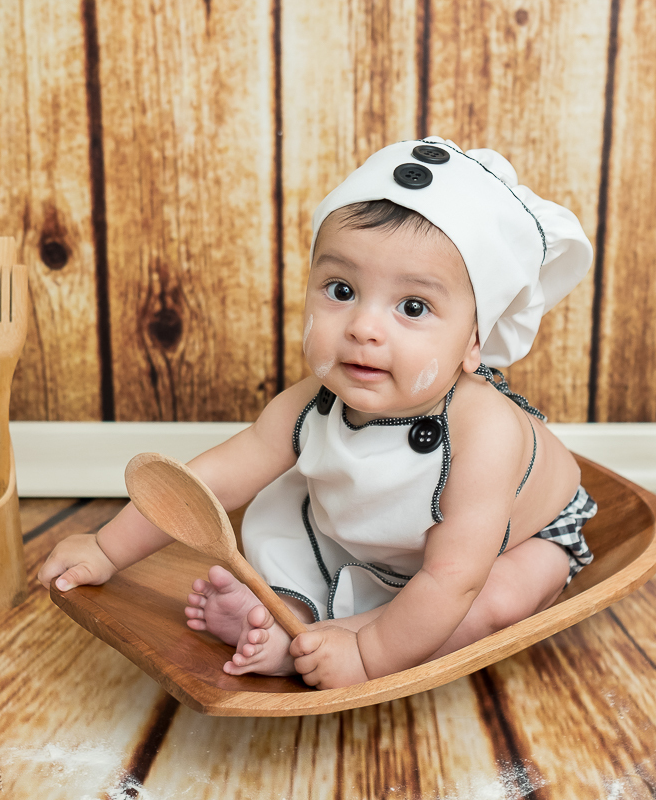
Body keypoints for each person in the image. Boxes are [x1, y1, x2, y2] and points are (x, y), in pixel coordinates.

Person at [37, 137, 598, 690]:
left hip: (514, 541)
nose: (363, 327)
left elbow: (453, 578)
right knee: (291, 533)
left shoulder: (483, 432)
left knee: (494, 602)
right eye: (341, 289)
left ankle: (337, 638)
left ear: (477, 340)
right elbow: (206, 485)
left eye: (412, 307)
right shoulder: (313, 403)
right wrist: (106, 547)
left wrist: (367, 654)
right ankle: (289, 620)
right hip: (369, 537)